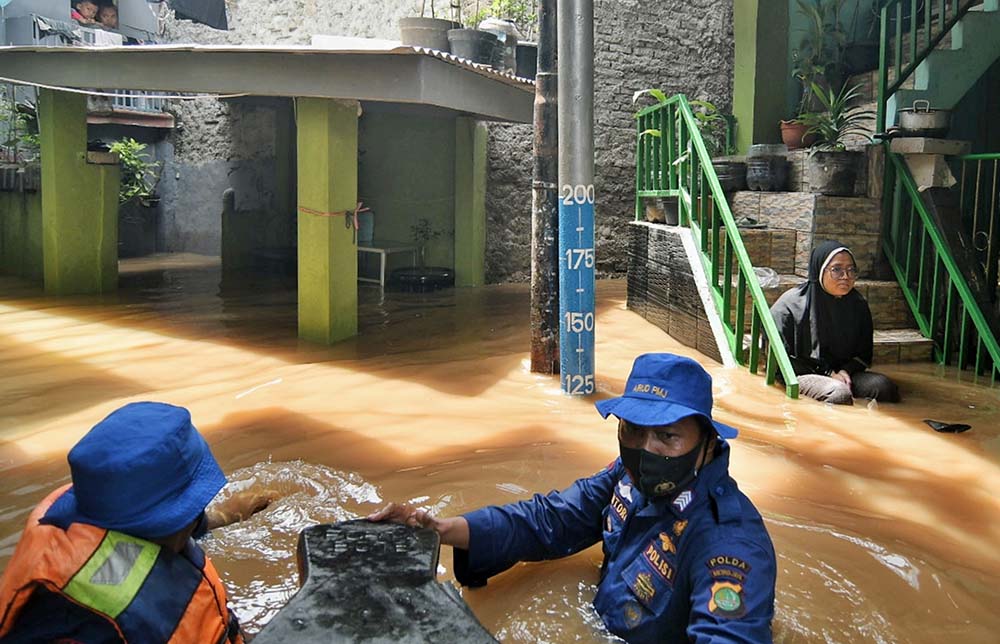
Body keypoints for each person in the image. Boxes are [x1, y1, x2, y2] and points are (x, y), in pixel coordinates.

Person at [370, 353, 777, 643]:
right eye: (632, 431)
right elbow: (552, 519)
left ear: (708, 443)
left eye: (667, 436)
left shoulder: (728, 543)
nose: (645, 449)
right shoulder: (626, 477)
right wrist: (440, 529)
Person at [0, 402, 269, 643]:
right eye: (194, 504)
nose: (197, 512)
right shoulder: (79, 623)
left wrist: (228, 515)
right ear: (165, 522)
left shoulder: (100, 502)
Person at [770, 240, 901, 405]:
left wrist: (845, 371)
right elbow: (780, 359)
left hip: (843, 373)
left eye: (851, 270)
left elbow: (863, 353)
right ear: (819, 270)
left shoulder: (858, 304)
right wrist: (828, 374)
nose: (845, 276)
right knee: (839, 393)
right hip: (802, 373)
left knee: (884, 388)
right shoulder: (790, 305)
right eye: (837, 270)